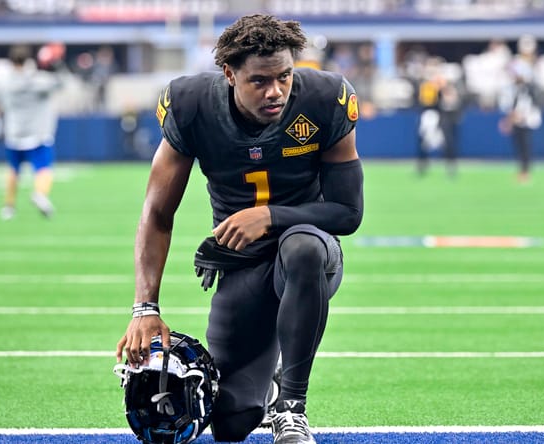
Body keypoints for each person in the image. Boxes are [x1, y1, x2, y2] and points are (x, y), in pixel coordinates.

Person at [115, 14, 364, 444]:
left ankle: (291, 407)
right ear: (229, 74)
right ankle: (264, 388)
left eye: (285, 77)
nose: (276, 92)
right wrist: (145, 309)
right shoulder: (191, 103)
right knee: (230, 425)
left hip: (309, 257)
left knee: (301, 247)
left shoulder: (325, 99)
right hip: (242, 266)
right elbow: (157, 214)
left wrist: (269, 216)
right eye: (260, 81)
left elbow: (347, 212)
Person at [0, 44, 65, 220]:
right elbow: (60, 83)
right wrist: (56, 64)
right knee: (43, 168)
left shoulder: (4, 82)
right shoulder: (38, 80)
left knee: (13, 170)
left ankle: (9, 207)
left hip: (14, 131)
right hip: (38, 132)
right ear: (29, 60)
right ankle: (40, 194)